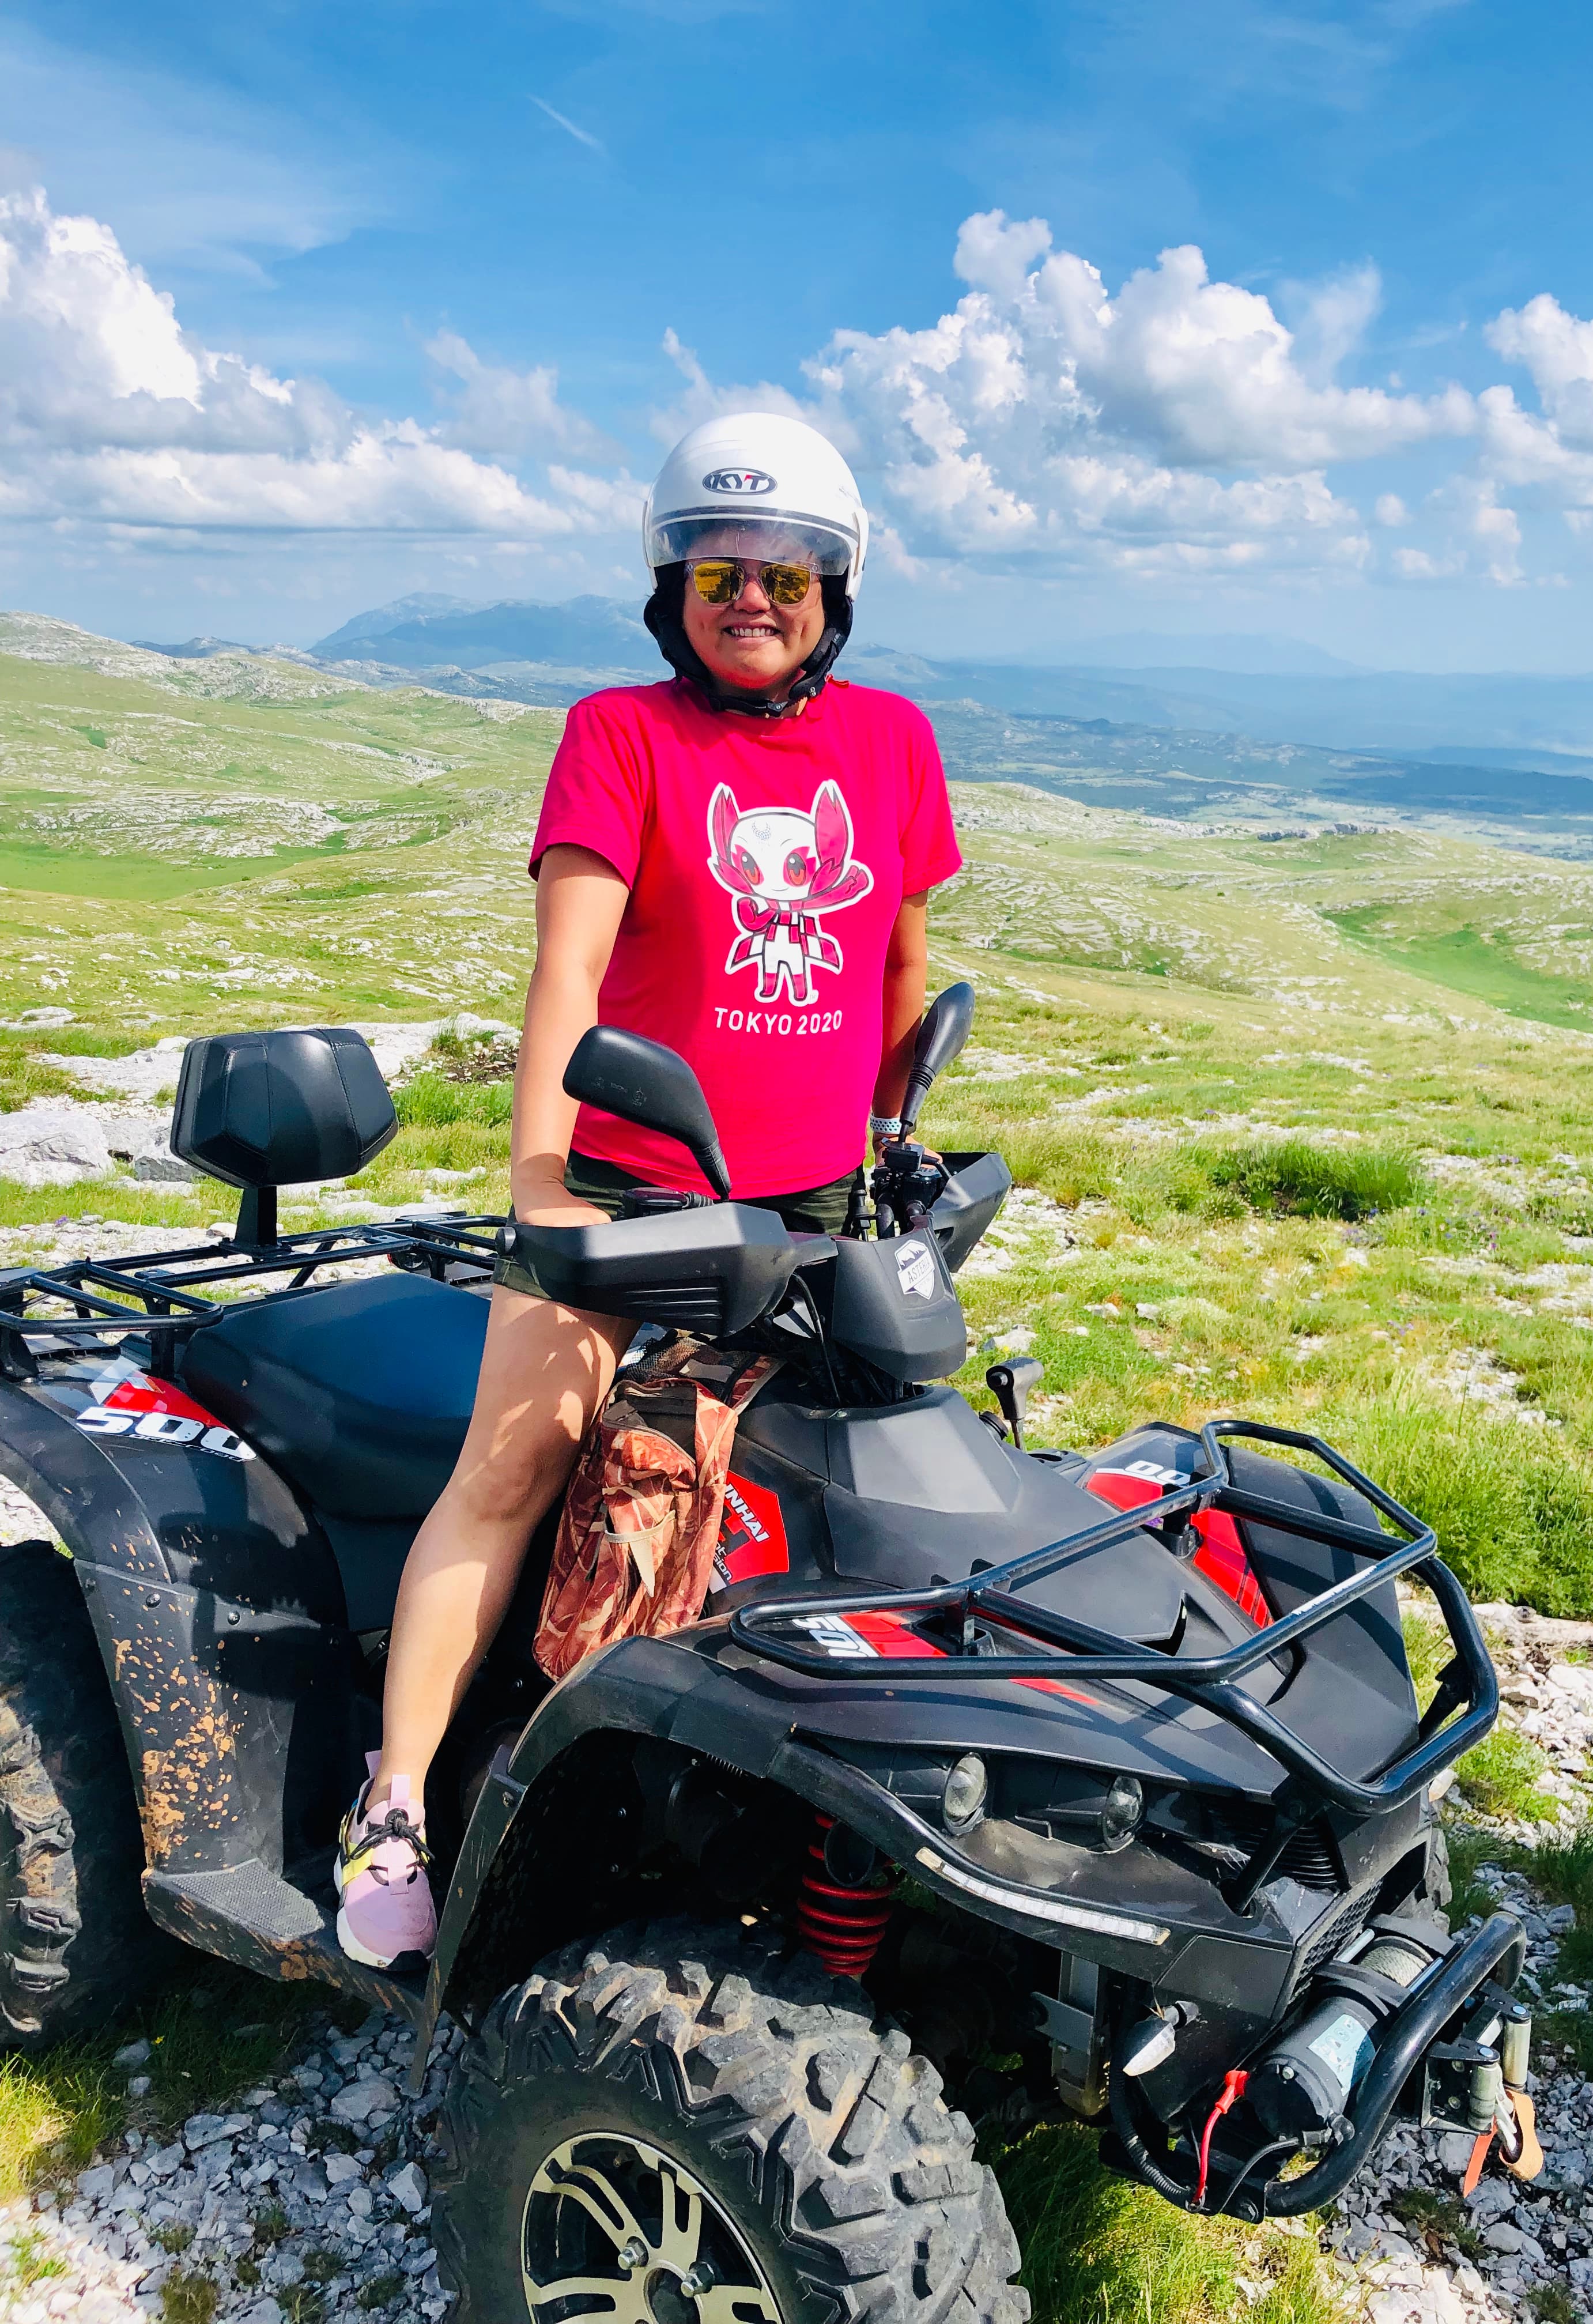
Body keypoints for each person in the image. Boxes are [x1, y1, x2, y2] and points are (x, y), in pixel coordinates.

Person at [335, 413, 963, 1967]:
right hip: (626, 1187)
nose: (754, 596)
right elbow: (570, 974)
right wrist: (543, 1184)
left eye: (789, 574)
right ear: (673, 585)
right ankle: (398, 1797)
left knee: (828, 1508)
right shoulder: (620, 735)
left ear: (837, 589)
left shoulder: (888, 742)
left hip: (814, 1207)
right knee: (515, 1467)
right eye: (720, 569)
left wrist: (905, 1132)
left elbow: (898, 961)